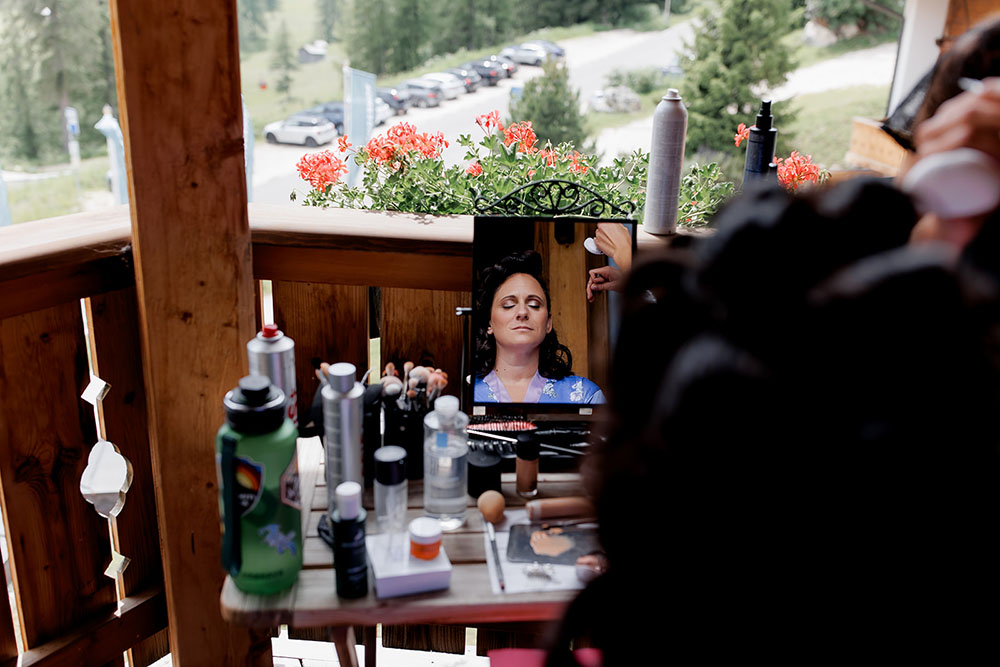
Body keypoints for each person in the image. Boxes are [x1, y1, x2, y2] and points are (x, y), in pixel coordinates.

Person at [473, 250, 604, 404]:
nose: (522, 312)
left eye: (534, 305)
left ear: (548, 323)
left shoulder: (586, 396)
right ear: (489, 323)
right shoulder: (467, 393)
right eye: (508, 305)